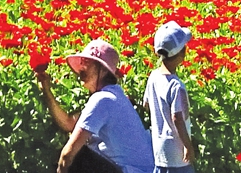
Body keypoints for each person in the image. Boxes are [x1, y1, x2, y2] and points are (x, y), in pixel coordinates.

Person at [36, 38, 155, 173]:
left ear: (103, 70)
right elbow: (70, 124)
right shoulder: (113, 95)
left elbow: (68, 154)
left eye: (88, 63)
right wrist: (47, 91)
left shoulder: (103, 100)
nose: (81, 68)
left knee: (78, 156)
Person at [143, 21, 196, 173]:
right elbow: (177, 118)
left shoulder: (153, 77)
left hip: (159, 148)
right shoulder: (176, 86)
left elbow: (146, 104)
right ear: (181, 54)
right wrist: (188, 146)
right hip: (177, 151)